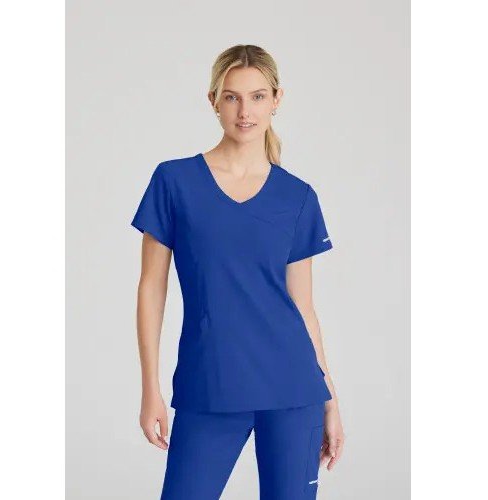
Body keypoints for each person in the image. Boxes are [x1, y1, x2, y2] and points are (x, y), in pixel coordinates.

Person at [131, 44, 345, 499]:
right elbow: (151, 288)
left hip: (294, 390)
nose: (245, 111)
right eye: (231, 97)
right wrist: (150, 386)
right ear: (213, 100)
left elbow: (304, 308)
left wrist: (330, 399)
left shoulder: (297, 196)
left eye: (257, 96)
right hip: (210, 385)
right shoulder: (174, 181)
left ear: (277, 99)